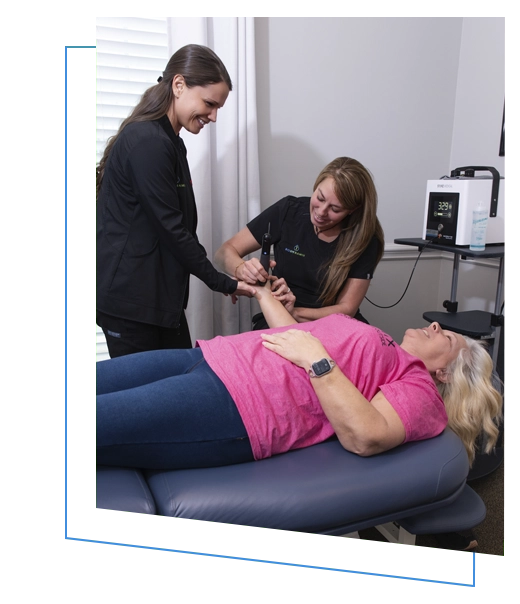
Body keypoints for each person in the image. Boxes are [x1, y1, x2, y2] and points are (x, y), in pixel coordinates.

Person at [97, 282, 502, 473]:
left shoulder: (419, 390)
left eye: (445, 336)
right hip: (211, 357)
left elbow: (367, 434)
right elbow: (297, 336)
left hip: (239, 403)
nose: (434, 327)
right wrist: (262, 294)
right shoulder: (387, 348)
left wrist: (319, 362)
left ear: (446, 372)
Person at [96, 44, 254, 357]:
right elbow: (172, 229)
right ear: (179, 85)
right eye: (209, 104)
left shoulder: (169, 142)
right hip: (131, 303)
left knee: (179, 380)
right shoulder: (148, 142)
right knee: (145, 400)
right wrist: (222, 282)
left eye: (218, 107)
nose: (213, 116)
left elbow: (178, 225)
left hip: (154, 299)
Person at [214, 156, 385, 329]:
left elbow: (346, 309)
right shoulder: (289, 211)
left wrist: (295, 312)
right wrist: (243, 270)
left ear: (352, 210)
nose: (321, 212)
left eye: (335, 209)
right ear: (316, 186)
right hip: (279, 318)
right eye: (320, 197)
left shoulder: (365, 238)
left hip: (335, 324)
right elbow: (223, 253)